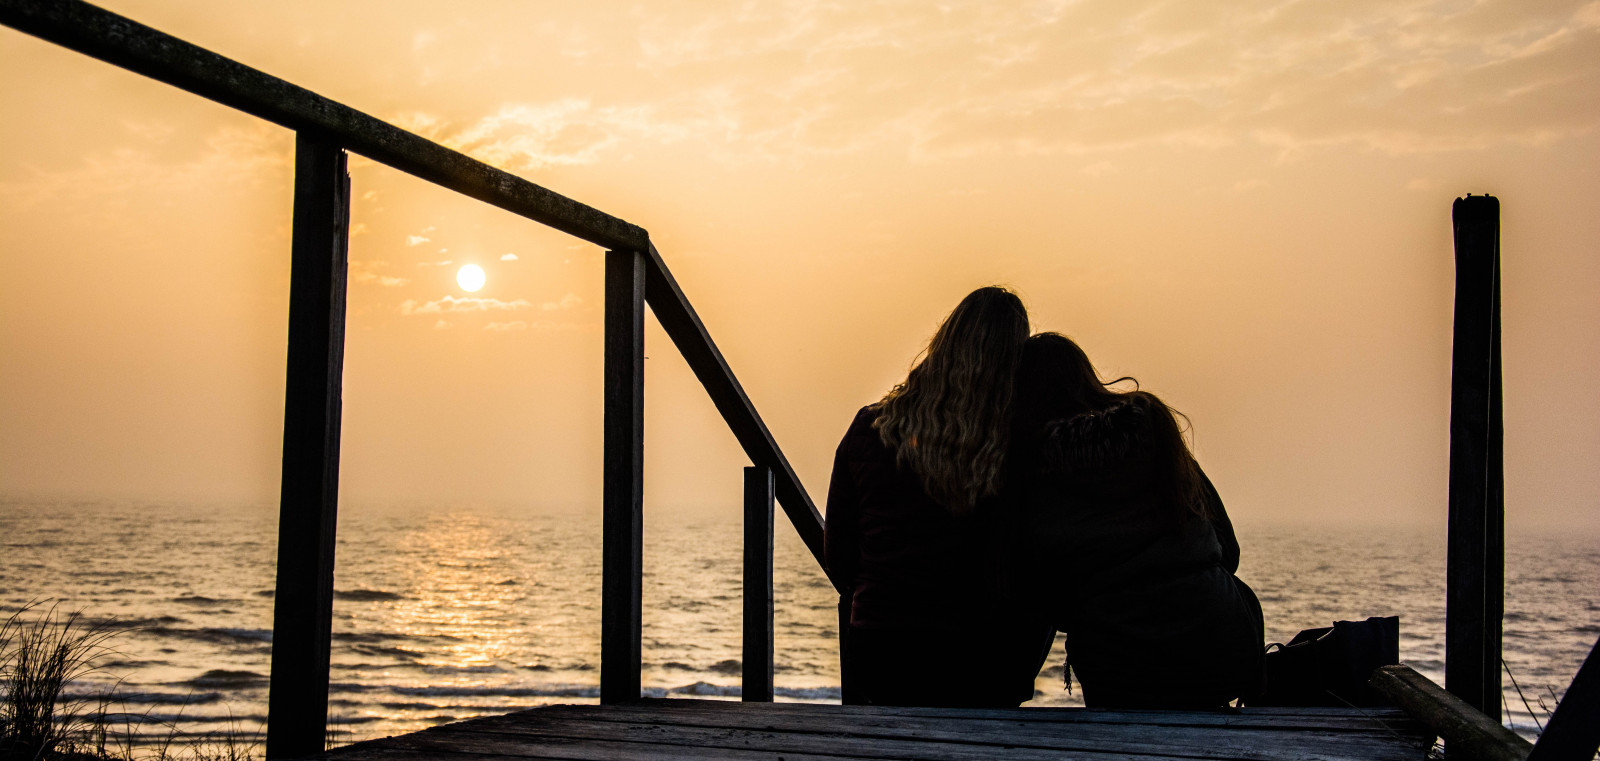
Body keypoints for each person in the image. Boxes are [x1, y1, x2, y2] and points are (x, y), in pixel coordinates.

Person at [1006, 332, 1263, 708]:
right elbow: (1228, 547)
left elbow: (1042, 594)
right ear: (1087, 377)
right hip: (1222, 644)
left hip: (1119, 665)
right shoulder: (1152, 429)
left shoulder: (1034, 466)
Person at [823, 286, 1052, 707]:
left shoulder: (869, 429)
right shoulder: (1018, 446)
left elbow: (839, 556)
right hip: (985, 661)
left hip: (881, 653)